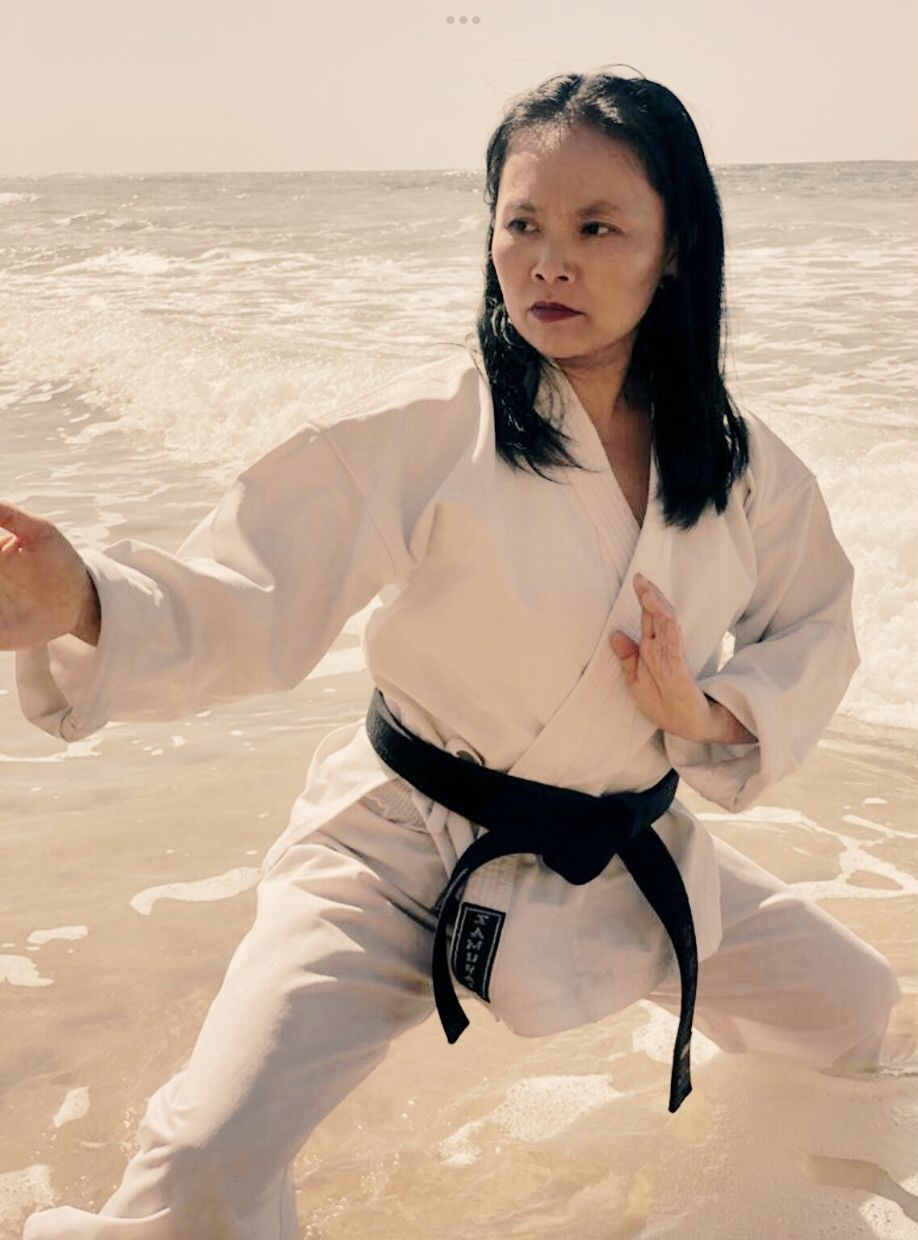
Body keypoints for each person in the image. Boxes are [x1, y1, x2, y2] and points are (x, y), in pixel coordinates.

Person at [1, 69, 900, 1239]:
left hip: (623, 842)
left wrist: (709, 708)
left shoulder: (740, 465)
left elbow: (818, 623)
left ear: (675, 248)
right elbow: (252, 587)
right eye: (521, 222)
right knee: (207, 1161)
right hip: (396, 849)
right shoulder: (430, 429)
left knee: (853, 1013)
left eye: (596, 227)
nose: (548, 261)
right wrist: (79, 596)